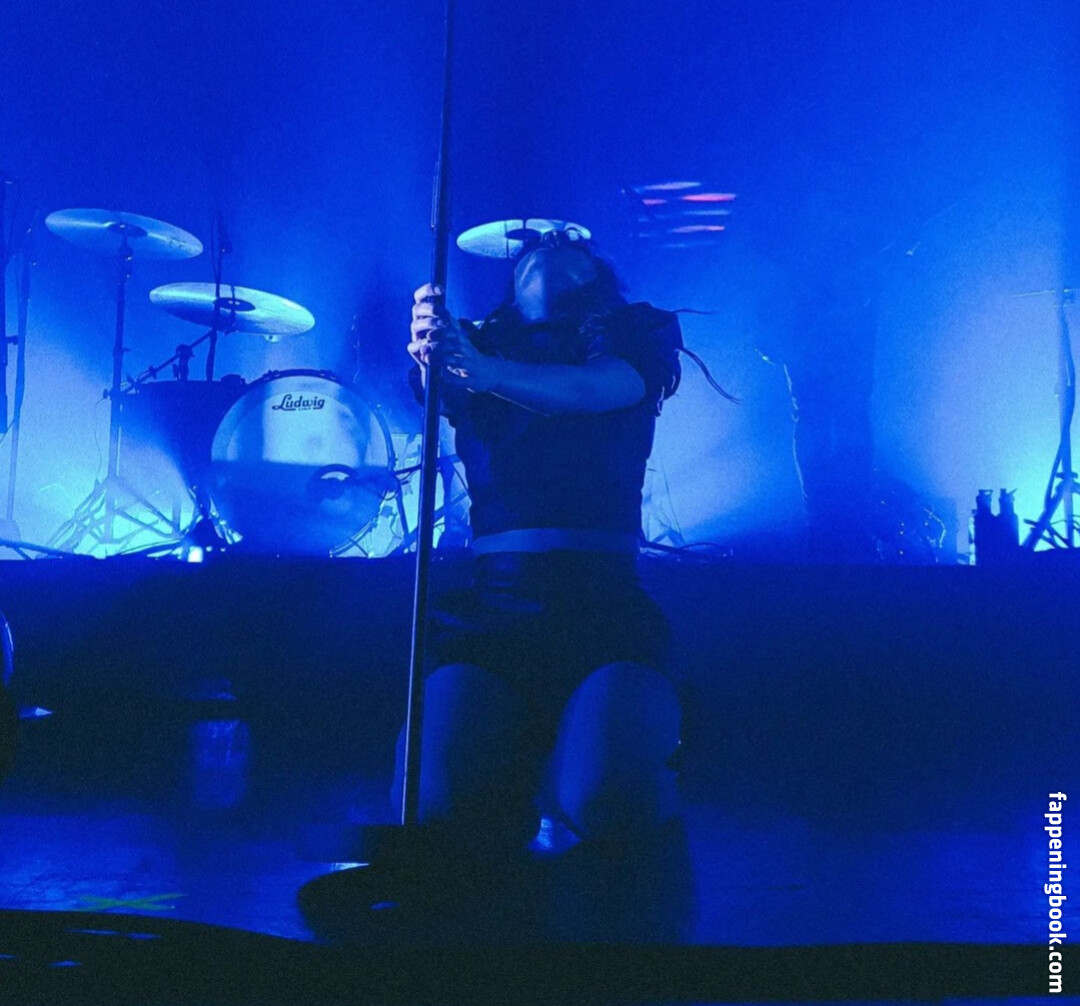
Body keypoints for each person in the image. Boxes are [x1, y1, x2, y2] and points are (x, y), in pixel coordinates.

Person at [299, 229, 695, 944]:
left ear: (597, 275)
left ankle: (616, 780)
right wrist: (433, 356)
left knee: (606, 800)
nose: (545, 242)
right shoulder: (476, 344)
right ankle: (515, 786)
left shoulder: (634, 334)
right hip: (494, 609)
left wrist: (481, 370)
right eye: (532, 246)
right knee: (436, 806)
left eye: (566, 242)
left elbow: (594, 390)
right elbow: (442, 390)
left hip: (603, 608)